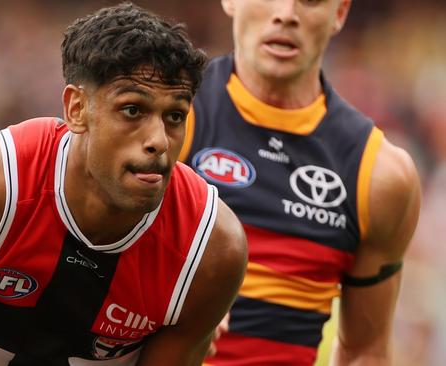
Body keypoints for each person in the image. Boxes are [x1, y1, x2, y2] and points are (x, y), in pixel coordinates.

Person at [0, 3, 247, 366]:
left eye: (175, 116)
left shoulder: (211, 250)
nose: (159, 140)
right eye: (132, 110)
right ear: (76, 109)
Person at [179, 1, 422, 365]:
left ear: (339, 13)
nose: (286, 13)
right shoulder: (171, 121)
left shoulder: (380, 174)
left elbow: (364, 351)